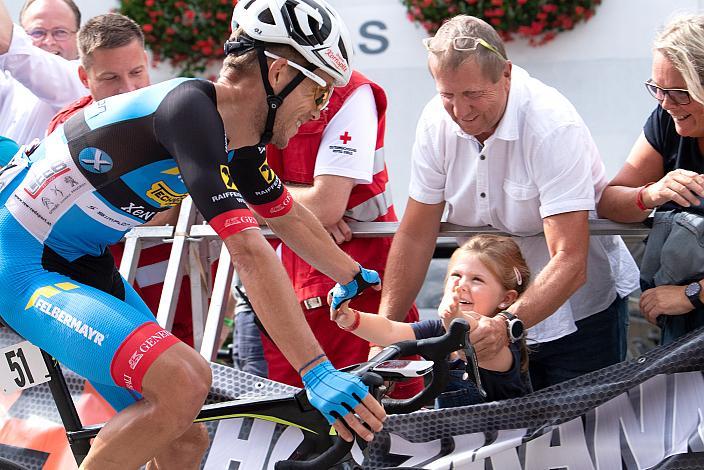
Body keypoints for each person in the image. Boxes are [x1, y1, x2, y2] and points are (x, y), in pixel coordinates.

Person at [0, 1, 386, 468]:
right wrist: (316, 370)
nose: (318, 111)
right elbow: (248, 249)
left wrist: (352, 276)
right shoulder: (189, 111)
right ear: (281, 74)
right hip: (19, 261)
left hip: (78, 262)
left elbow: (284, 214)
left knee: (183, 438)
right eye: (319, 94)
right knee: (182, 381)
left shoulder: (233, 136)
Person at [378, 15, 639, 391]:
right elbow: (416, 234)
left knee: (583, 435)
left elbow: (570, 259)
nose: (461, 112)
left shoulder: (550, 124)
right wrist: (387, 332)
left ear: (506, 73)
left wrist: (504, 325)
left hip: (580, 317)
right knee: (478, 439)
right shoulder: (435, 121)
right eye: (447, 95)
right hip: (485, 322)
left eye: (473, 95)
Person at [248, 69, 422, 398]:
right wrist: (291, 205)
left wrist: (249, 198)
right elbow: (314, 206)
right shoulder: (247, 94)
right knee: (293, 433)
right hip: (289, 301)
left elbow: (325, 206)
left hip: (365, 300)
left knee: (390, 427)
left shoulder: (349, 92)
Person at [45, 12, 199, 346]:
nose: (127, 88)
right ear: (85, 76)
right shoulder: (69, 128)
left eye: (136, 72)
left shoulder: (179, 113)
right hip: (100, 287)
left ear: (148, 62)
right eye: (111, 77)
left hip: (176, 282)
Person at [597, 14, 704, 345]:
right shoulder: (666, 119)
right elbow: (610, 201)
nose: (667, 104)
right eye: (657, 89)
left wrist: (692, 293)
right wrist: (651, 193)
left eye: (680, 93)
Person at [332, 234, 531, 407]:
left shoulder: (500, 342)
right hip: (449, 441)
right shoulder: (438, 329)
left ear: (506, 299)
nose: (461, 285)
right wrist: (350, 318)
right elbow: (390, 331)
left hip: (499, 445)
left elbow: (473, 337)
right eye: (456, 275)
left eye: (477, 280)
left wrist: (454, 317)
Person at [0, 0, 85, 144]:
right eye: (37, 32)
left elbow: (7, 44)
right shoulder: (9, 81)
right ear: (23, 34)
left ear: (78, 37)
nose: (49, 41)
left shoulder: (80, 80)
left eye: (60, 32)